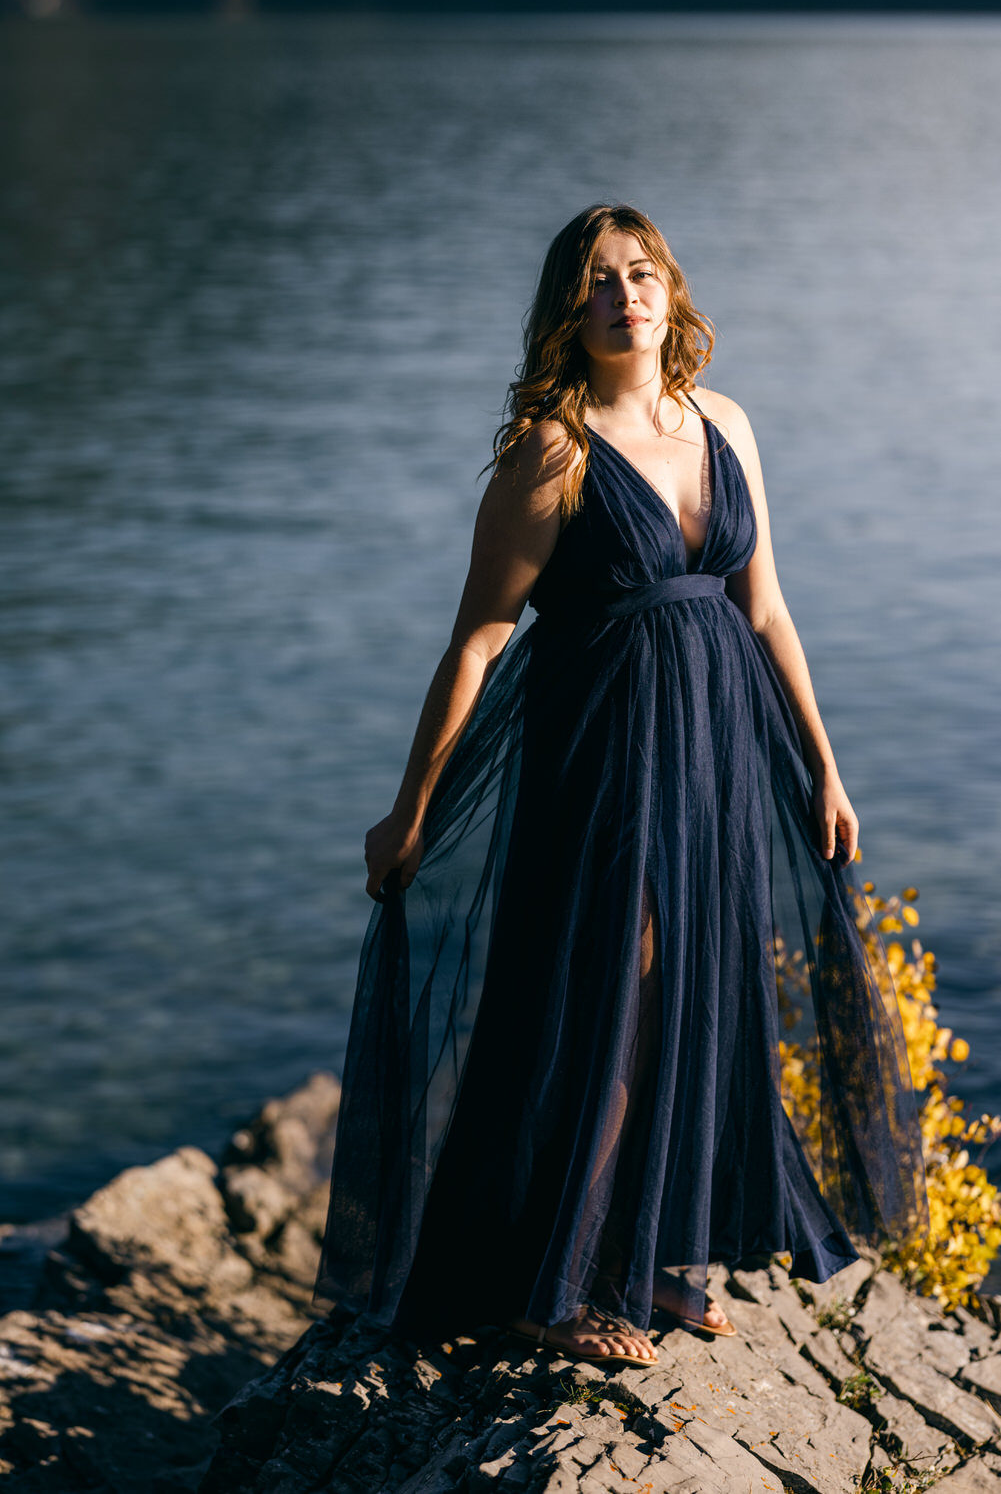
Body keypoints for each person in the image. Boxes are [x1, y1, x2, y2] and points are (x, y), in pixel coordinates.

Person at [313, 203, 927, 1367]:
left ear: (671, 291)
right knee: (611, 989)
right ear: (567, 311)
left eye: (639, 273)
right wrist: (411, 809)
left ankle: (647, 1254)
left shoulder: (724, 426)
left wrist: (823, 770)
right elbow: (478, 643)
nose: (623, 295)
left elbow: (765, 610)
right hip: (600, 759)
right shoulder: (552, 450)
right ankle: (547, 1288)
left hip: (717, 753)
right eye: (596, 280)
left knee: (697, 980)